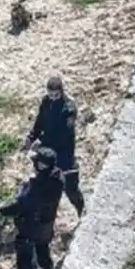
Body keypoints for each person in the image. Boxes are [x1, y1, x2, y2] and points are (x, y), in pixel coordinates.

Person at [0, 147, 64, 269]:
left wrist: (3, 210)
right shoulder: (58, 177)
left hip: (29, 227)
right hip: (47, 223)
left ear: (42, 165)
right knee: (43, 248)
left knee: (24, 258)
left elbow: (21, 205)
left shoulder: (37, 187)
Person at [23, 76, 85, 217]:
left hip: (63, 154)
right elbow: (40, 121)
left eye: (56, 95)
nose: (53, 98)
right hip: (46, 152)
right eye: (50, 95)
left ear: (61, 92)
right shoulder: (46, 102)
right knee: (42, 184)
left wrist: (41, 142)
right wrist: (32, 137)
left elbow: (64, 134)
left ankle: (81, 210)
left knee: (71, 188)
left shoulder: (69, 109)